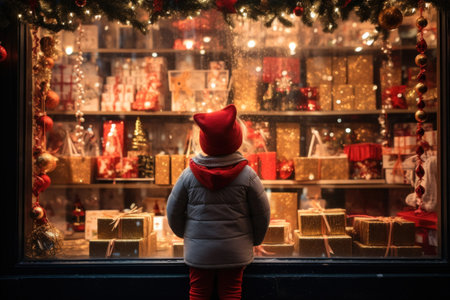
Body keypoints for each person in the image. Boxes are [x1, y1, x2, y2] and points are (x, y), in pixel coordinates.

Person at [166, 104, 270, 300]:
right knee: (231, 293)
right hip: (235, 253)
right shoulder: (248, 176)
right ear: (237, 139)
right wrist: (254, 240)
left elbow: (173, 211)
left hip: (199, 254)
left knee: (198, 292)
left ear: (204, 142)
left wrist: (186, 235)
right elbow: (262, 214)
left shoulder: (188, 176)